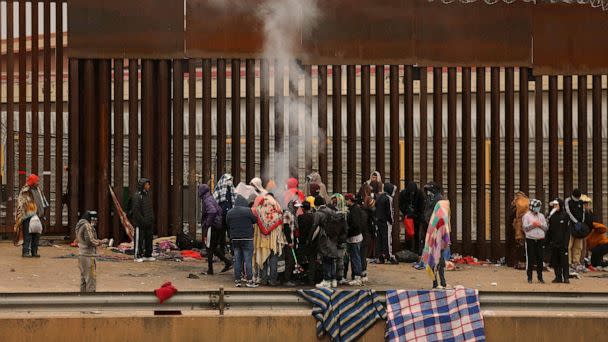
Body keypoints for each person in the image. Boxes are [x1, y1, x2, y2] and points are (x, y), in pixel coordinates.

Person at [313, 196, 347, 289]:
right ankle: (333, 280)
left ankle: (326, 280)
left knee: (326, 259)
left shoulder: (318, 213)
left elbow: (314, 227)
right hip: (334, 239)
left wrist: (310, 239)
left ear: (316, 204)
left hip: (325, 239)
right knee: (332, 260)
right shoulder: (332, 211)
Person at [252, 193, 285, 286]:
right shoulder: (277, 210)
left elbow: (255, 225)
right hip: (274, 240)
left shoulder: (259, 210)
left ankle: (263, 280)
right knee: (273, 260)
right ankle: (273, 281)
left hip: (261, 239)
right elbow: (280, 227)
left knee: (263, 259)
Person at [199, 184, 232, 275]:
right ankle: (226, 262)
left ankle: (211, 269)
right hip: (217, 225)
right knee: (212, 247)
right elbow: (219, 210)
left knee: (209, 247)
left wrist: (207, 223)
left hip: (212, 226)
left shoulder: (207, 200)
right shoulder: (210, 198)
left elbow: (212, 211)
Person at [226, 196, 258, 288]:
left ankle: (237, 280)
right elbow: (255, 220)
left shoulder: (230, 212)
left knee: (237, 259)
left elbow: (227, 223)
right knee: (248, 260)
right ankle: (249, 281)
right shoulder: (248, 211)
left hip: (235, 238)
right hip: (247, 238)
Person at [15, 174, 48, 257]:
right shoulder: (25, 190)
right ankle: (25, 252)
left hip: (39, 216)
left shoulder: (38, 189)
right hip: (28, 216)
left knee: (36, 235)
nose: (38, 182)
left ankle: (34, 252)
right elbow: (22, 203)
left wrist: (43, 212)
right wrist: (31, 212)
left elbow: (42, 200)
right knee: (27, 235)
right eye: (37, 181)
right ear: (32, 181)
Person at [422, 199, 451, 289]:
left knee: (435, 263)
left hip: (433, 244)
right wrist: (446, 243)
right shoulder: (443, 216)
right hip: (438, 244)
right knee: (439, 263)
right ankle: (441, 283)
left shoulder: (435, 215)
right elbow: (445, 232)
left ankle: (438, 283)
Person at [75, 211, 108, 292]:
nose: (95, 222)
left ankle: (82, 301)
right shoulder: (87, 225)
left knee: (84, 281)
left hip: (81, 255)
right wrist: (101, 242)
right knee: (91, 281)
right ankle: (91, 301)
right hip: (88, 257)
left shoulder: (79, 225)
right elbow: (90, 241)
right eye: (94, 219)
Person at [129, 178, 155, 262]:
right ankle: (138, 255)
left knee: (149, 239)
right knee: (139, 239)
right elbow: (136, 210)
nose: (148, 186)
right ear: (143, 185)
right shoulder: (137, 196)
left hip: (149, 222)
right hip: (140, 223)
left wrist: (150, 219)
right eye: (147, 184)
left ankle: (148, 254)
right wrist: (142, 220)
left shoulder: (147, 195)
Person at [522, 199, 548, 284]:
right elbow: (525, 228)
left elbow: (546, 228)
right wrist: (532, 225)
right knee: (530, 259)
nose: (538, 208)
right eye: (536, 207)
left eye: (539, 207)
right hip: (530, 240)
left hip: (540, 240)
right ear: (532, 207)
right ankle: (529, 277)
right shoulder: (526, 216)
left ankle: (540, 277)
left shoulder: (541, 216)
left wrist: (540, 225)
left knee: (540, 259)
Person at [546, 199, 570, 283]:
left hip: (563, 243)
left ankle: (566, 277)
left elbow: (567, 231)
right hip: (554, 242)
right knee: (556, 261)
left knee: (564, 261)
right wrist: (547, 241)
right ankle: (558, 277)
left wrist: (566, 242)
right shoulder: (551, 215)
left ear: (560, 205)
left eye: (556, 205)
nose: (555, 206)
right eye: (554, 205)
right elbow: (549, 230)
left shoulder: (565, 215)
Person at [214, 173, 237, 256]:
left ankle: (233, 252)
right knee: (221, 235)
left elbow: (235, 201)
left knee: (231, 234)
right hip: (222, 217)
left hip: (231, 217)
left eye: (230, 180)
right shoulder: (219, 190)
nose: (230, 182)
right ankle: (222, 252)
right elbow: (215, 202)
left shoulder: (233, 190)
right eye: (228, 180)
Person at [375, 182, 398, 264]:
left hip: (378, 221)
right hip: (385, 222)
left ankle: (380, 256)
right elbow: (390, 211)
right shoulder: (388, 198)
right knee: (387, 239)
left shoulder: (380, 197)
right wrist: (391, 221)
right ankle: (389, 256)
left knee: (379, 239)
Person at [345, 193, 365, 286]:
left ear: (350, 200)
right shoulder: (356, 209)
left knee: (355, 257)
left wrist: (348, 231)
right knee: (355, 257)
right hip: (356, 236)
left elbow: (355, 225)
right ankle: (356, 276)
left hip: (354, 237)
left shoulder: (354, 210)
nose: (345, 201)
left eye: (346, 200)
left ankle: (357, 276)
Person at [399, 181, 425, 252]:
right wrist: (407, 210)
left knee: (416, 234)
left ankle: (416, 250)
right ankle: (408, 249)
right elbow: (401, 205)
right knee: (408, 234)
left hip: (417, 216)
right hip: (408, 216)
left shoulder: (419, 194)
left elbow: (422, 206)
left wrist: (416, 213)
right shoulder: (403, 194)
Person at [330, 193, 349, 285]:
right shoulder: (343, 214)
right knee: (338, 259)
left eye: (335, 201)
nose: (334, 203)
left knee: (338, 259)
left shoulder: (343, 214)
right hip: (336, 240)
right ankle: (338, 277)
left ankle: (338, 277)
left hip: (337, 240)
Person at [297, 201, 318, 285]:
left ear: (302, 208)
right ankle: (311, 279)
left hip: (302, 241)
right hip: (312, 242)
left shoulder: (300, 217)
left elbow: (300, 229)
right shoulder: (314, 216)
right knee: (312, 261)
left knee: (301, 260)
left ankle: (301, 278)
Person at [565, 189, 585, 267]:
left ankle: (576, 261)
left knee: (578, 246)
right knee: (569, 244)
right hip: (570, 225)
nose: (577, 198)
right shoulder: (568, 201)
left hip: (579, 226)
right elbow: (568, 212)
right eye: (576, 197)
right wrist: (575, 221)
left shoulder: (581, 201)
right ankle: (569, 262)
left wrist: (581, 223)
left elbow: (582, 212)